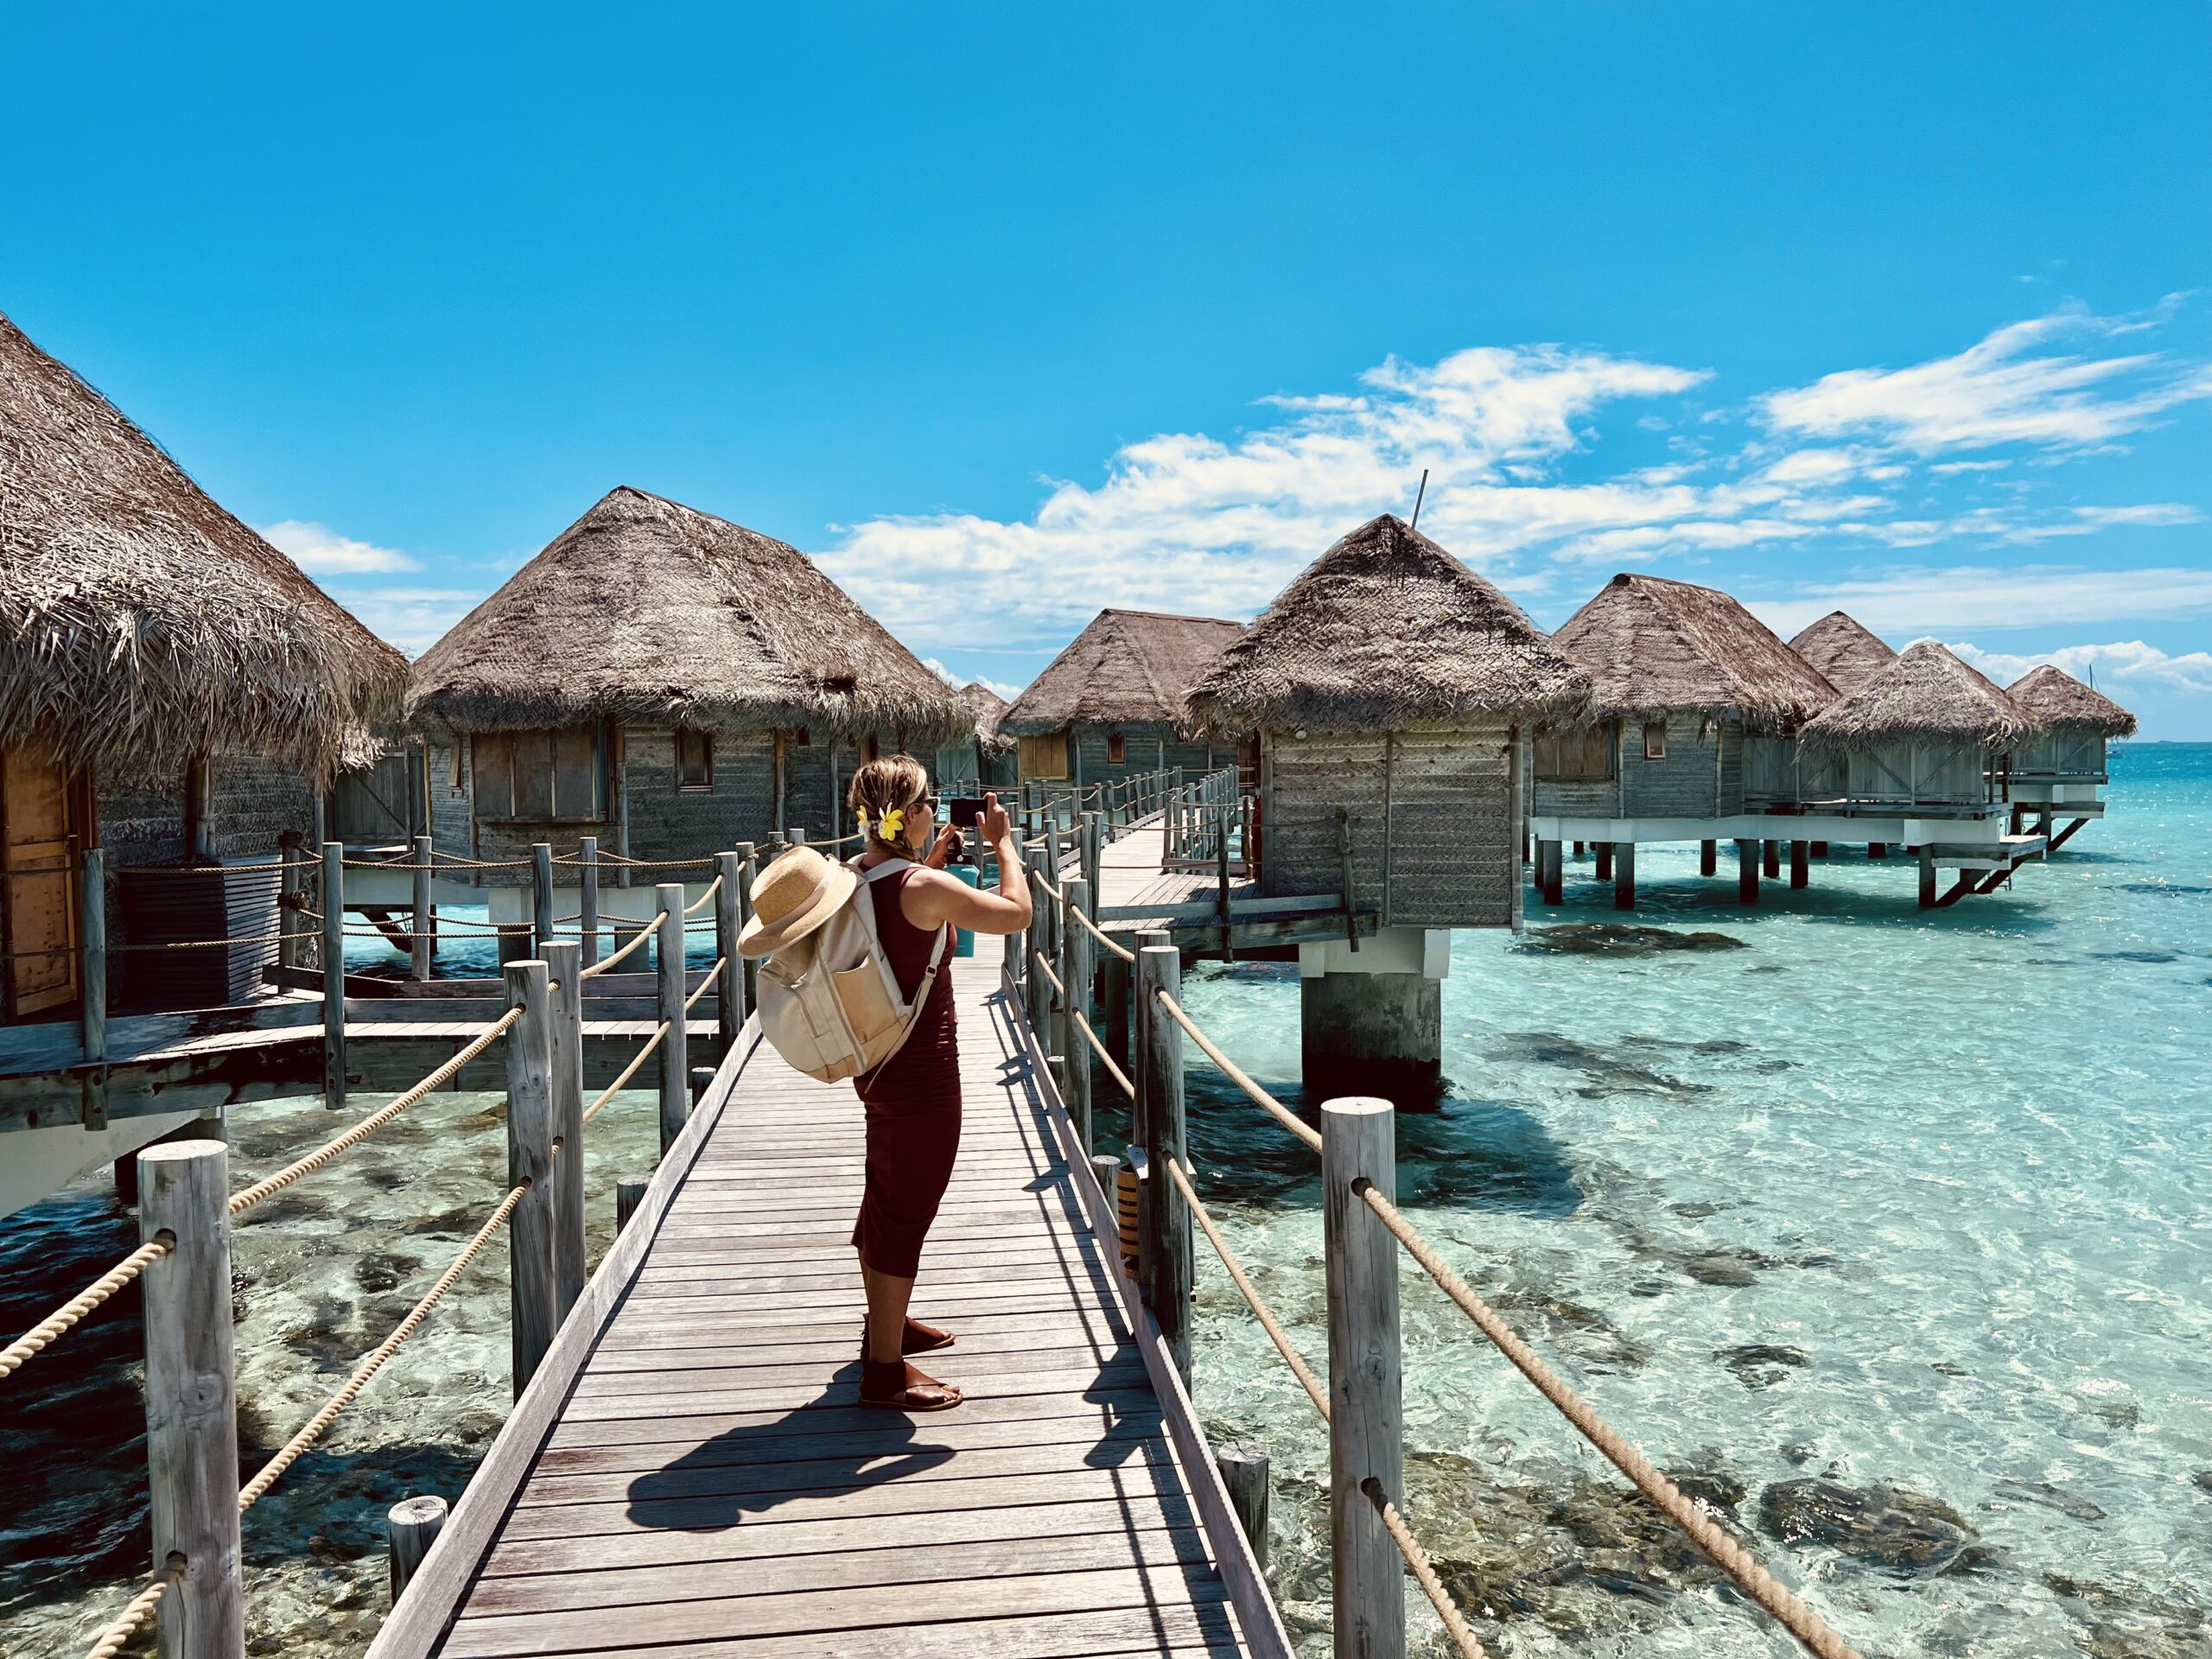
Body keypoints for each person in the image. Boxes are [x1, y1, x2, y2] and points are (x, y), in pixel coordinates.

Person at [842, 756, 1031, 1411]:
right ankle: (885, 1373)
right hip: (922, 1079)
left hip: (877, 1064)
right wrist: (1003, 842)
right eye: (932, 800)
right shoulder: (920, 886)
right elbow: (1015, 914)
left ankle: (885, 1329)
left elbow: (900, 939)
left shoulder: (856, 876)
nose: (937, 808)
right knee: (904, 1211)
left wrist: (937, 864)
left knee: (886, 1199)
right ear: (913, 813)